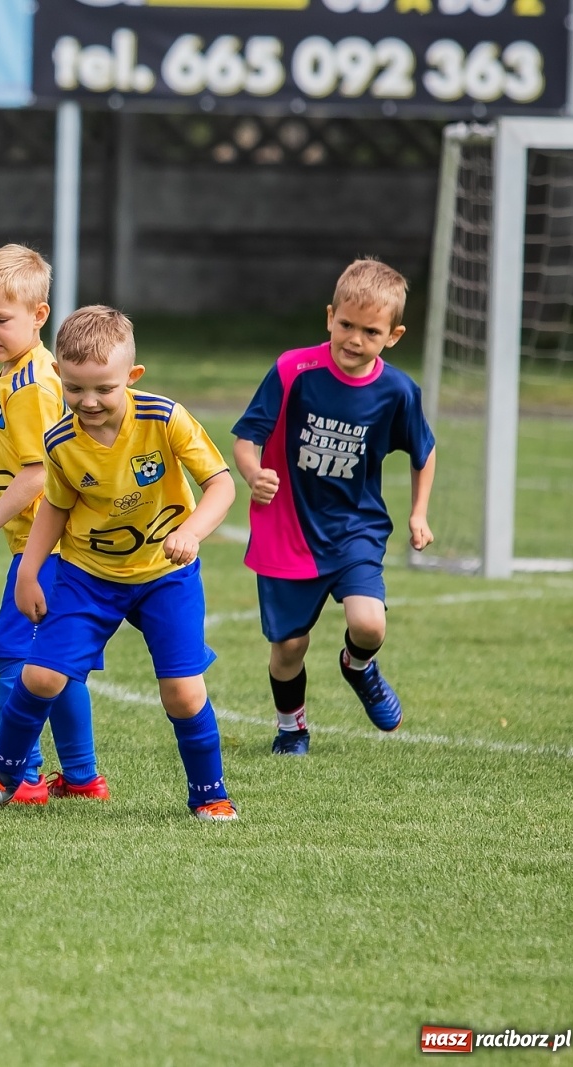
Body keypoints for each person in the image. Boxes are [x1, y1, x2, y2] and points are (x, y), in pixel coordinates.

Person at [0, 305, 241, 820]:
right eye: (75, 388)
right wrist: (29, 573)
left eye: (104, 389)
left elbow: (220, 484)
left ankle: (210, 796)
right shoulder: (61, 440)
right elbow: (56, 511)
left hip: (165, 576)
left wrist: (191, 532)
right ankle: (2, 774)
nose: (88, 402)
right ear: (58, 375)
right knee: (40, 677)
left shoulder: (164, 418)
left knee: (182, 693)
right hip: (89, 578)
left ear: (132, 378)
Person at [230, 258, 436, 756]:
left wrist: (418, 514)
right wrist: (254, 474)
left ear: (393, 335)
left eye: (371, 331)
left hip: (354, 529)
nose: (354, 339)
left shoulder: (398, 391)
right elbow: (245, 438)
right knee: (289, 648)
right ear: (329, 317)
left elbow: (424, 452)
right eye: (346, 324)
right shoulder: (292, 370)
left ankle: (358, 666)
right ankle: (291, 728)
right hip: (288, 529)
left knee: (369, 623)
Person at [0, 245, 96, 805]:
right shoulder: (24, 371)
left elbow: (40, 471)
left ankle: (22, 776)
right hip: (60, 546)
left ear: (39, 316)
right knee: (58, 661)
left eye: (1, 319)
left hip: (47, 546)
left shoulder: (32, 385)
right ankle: (84, 777)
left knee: (13, 652)